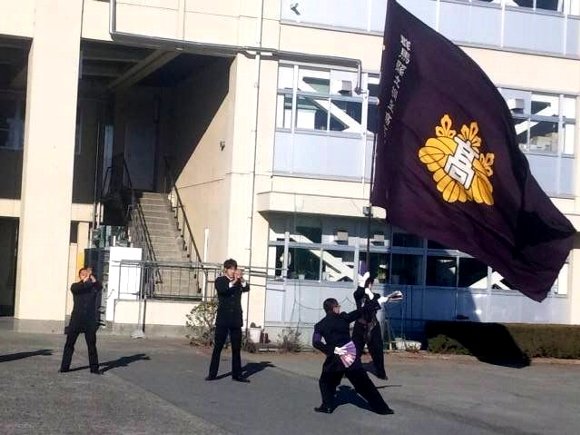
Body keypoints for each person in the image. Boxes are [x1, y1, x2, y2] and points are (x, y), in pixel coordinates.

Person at [312, 290, 394, 415]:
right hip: (350, 356)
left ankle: (327, 406)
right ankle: (382, 409)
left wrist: (332, 350)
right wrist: (378, 301)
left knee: (325, 382)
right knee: (364, 384)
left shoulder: (320, 325)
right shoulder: (344, 318)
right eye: (338, 306)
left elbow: (316, 342)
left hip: (335, 359)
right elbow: (361, 311)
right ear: (334, 308)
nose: (339, 308)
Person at [206, 258, 250, 383]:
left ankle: (237, 374)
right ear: (226, 269)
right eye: (231, 269)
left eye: (234, 269)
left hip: (236, 319)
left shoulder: (238, 282)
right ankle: (212, 374)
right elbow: (223, 290)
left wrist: (241, 279)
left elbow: (246, 288)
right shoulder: (220, 280)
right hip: (223, 319)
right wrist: (234, 281)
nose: (233, 271)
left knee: (236, 348)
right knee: (218, 347)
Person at [59, 267, 102, 374]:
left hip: (89, 320)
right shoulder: (76, 286)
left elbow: (99, 286)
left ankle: (94, 369)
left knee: (91, 345)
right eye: (83, 274)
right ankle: (64, 367)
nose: (85, 275)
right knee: (69, 343)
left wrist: (92, 277)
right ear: (79, 276)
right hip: (76, 319)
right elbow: (80, 288)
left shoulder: (93, 287)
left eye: (86, 274)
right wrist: (86, 280)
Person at [353, 274, 388, 379]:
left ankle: (380, 373)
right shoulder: (359, 295)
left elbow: (375, 303)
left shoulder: (375, 295)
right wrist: (362, 285)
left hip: (373, 325)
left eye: (369, 283)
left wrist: (369, 293)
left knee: (377, 350)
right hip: (360, 324)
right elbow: (357, 294)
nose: (369, 286)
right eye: (367, 284)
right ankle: (349, 371)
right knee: (355, 349)